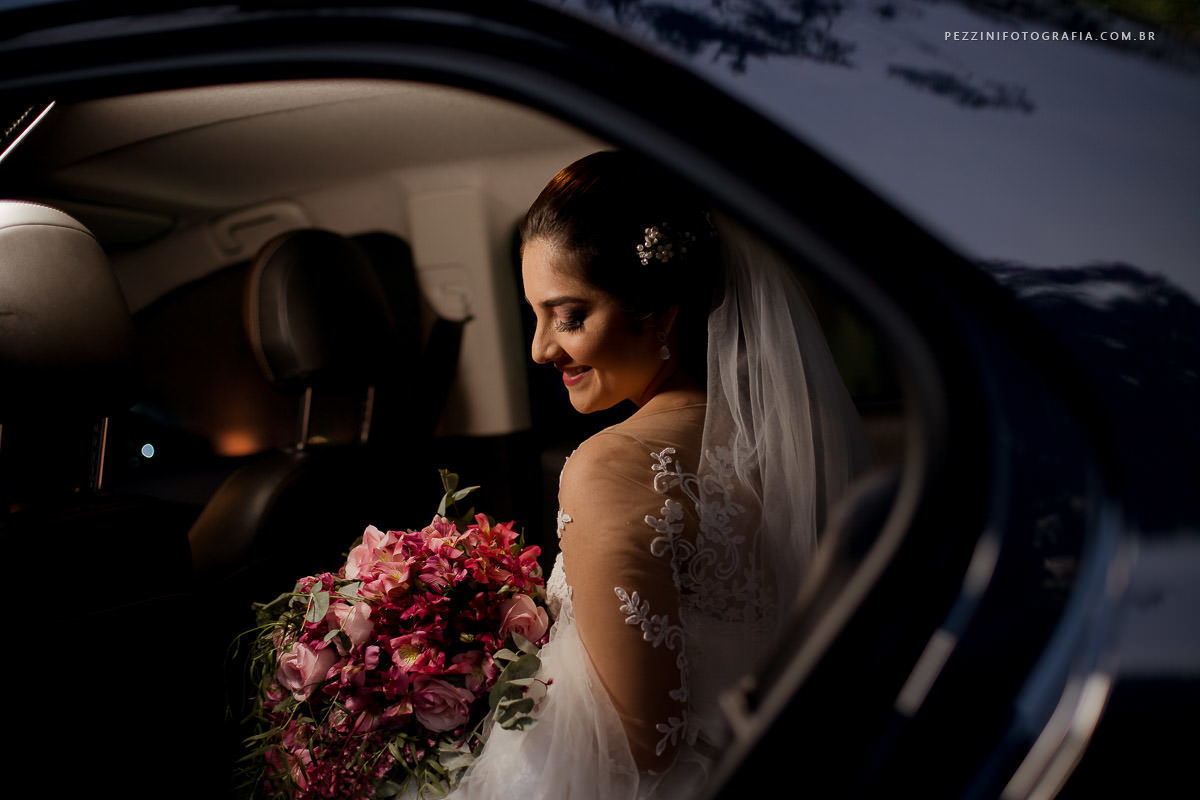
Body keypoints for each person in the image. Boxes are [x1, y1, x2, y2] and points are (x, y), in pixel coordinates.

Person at [448, 151, 869, 799]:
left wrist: (469, 682)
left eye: (568, 316)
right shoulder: (794, 436)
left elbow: (642, 747)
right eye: (535, 316)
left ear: (660, 313)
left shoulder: (610, 467)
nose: (539, 348)